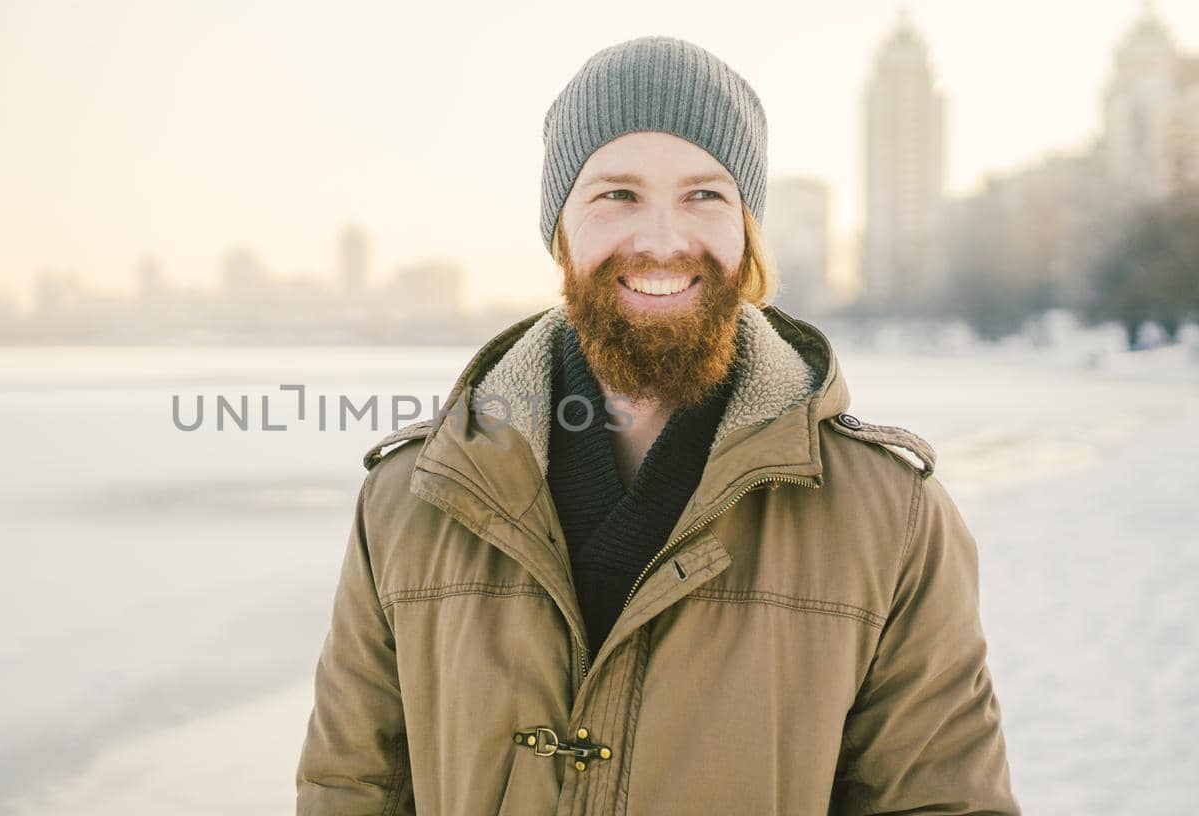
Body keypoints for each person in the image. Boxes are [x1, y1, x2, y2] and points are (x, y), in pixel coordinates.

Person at [296, 35, 1018, 815]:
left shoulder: (892, 518)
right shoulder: (409, 502)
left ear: (747, 228)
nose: (664, 240)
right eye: (618, 195)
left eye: (705, 196)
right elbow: (350, 790)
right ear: (561, 229)